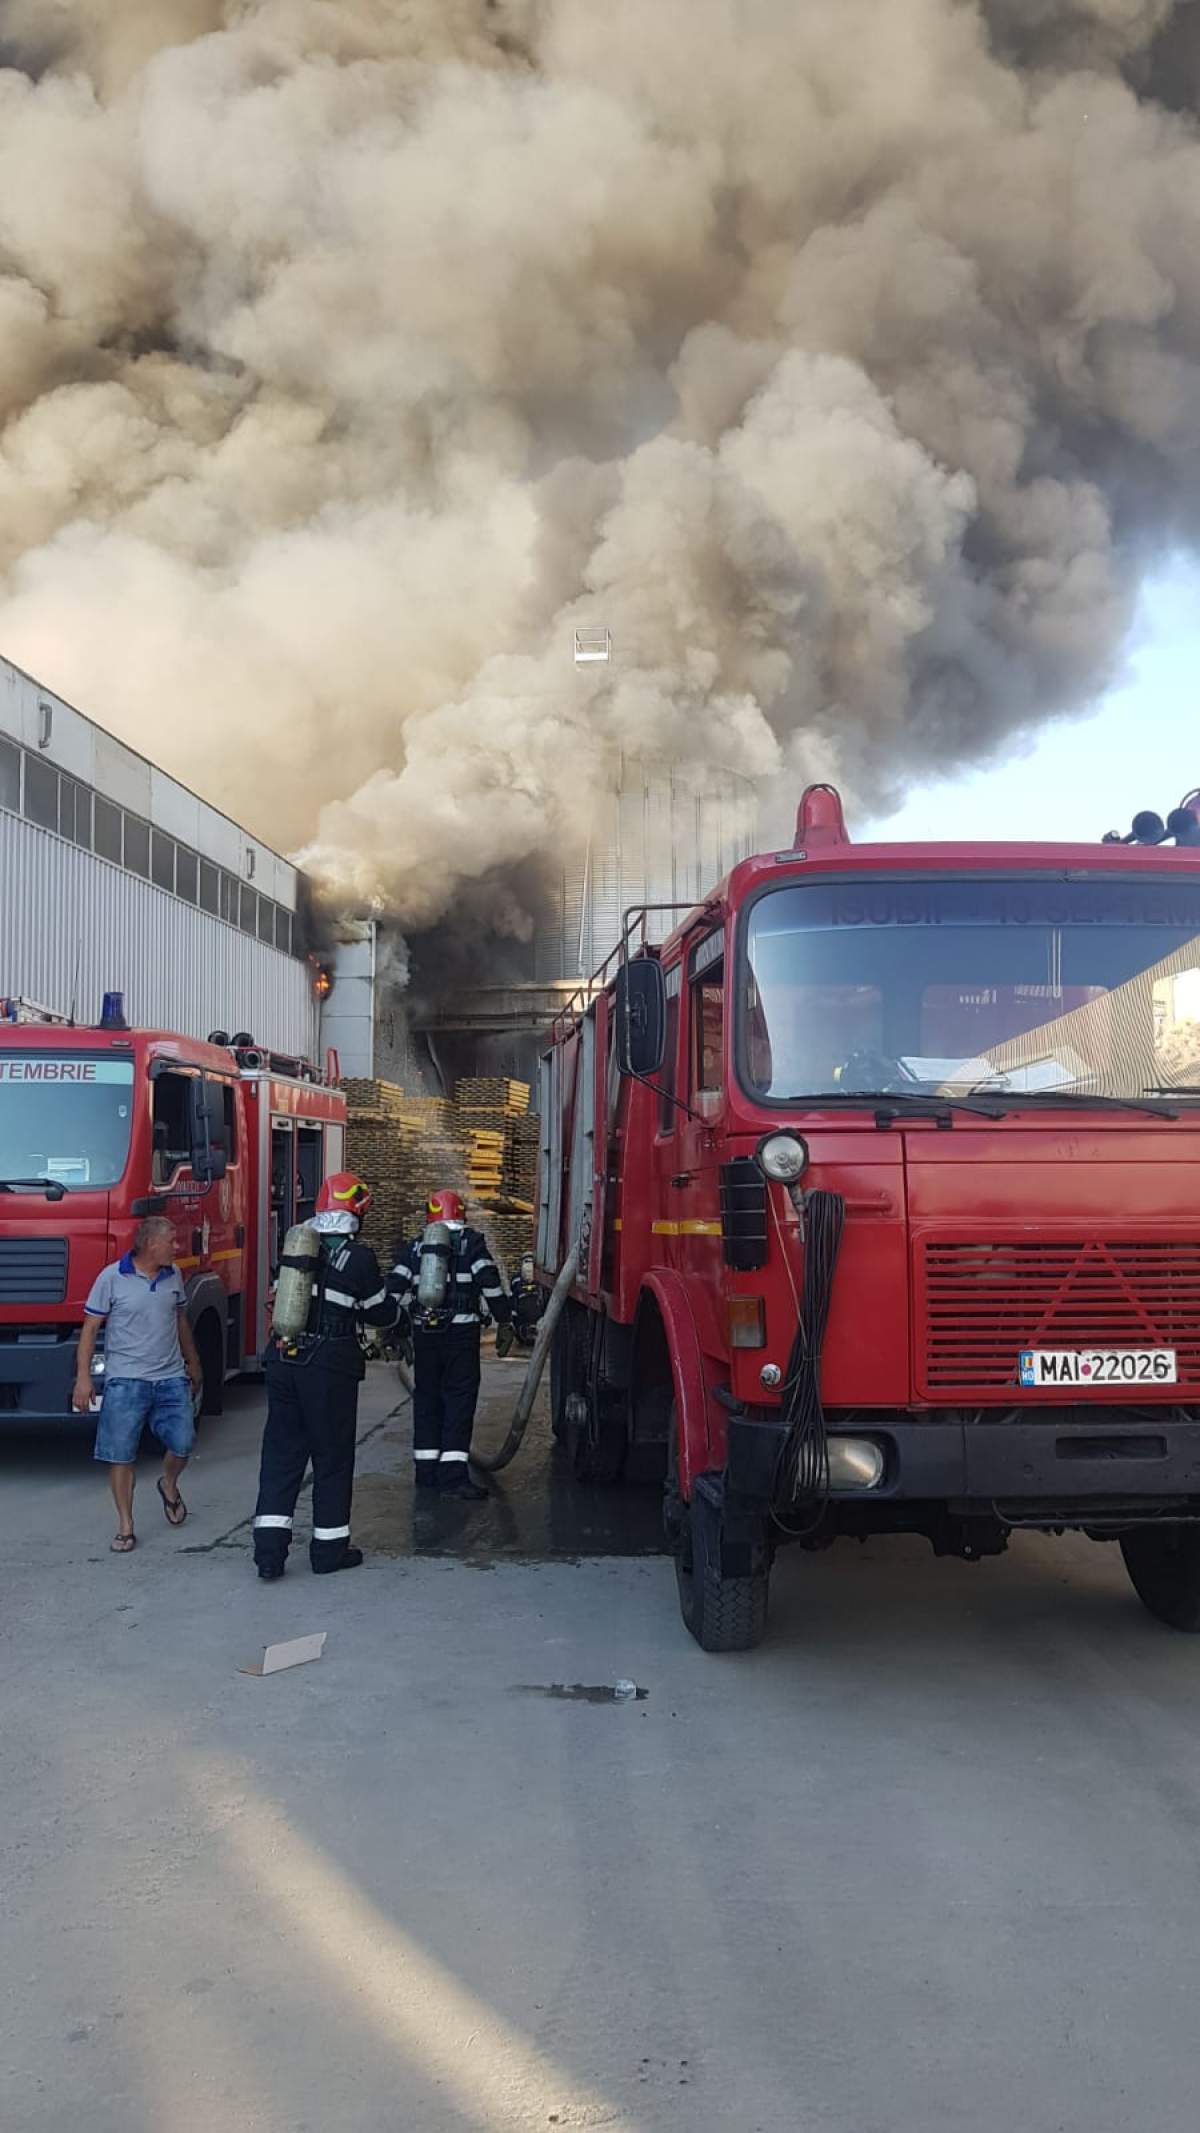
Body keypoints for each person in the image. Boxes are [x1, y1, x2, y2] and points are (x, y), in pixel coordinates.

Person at [252, 1171, 395, 1580]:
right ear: (357, 1214)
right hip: (328, 1367)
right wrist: (398, 1321)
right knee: (331, 1458)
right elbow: (379, 1312)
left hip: (283, 1360)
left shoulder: (297, 1246)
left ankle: (268, 1554)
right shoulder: (360, 1258)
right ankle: (328, 1551)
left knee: (281, 1457)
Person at [74, 1216, 204, 1555]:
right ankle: (126, 1526)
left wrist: (194, 1362)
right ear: (150, 1245)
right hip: (126, 1380)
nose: (177, 1247)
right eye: (171, 1241)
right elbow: (90, 1329)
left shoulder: (173, 1275)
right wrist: (84, 1378)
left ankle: (169, 1483)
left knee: (184, 1442)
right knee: (121, 1454)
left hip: (171, 1378)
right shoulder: (111, 1278)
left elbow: (180, 1320)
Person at [390, 1189, 510, 1501]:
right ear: (461, 1214)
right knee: (458, 1401)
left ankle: (426, 1472)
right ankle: (454, 1478)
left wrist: (400, 1330)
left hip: (424, 1335)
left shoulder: (416, 1246)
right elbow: (491, 1285)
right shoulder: (472, 1243)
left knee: (427, 1399)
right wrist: (506, 1320)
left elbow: (395, 1291)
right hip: (460, 1335)